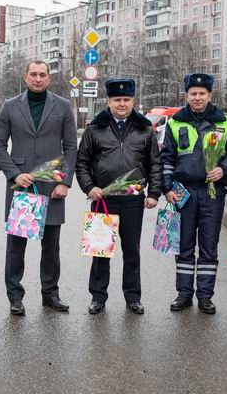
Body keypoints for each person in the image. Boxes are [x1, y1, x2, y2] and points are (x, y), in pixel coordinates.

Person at [0, 60, 77, 315]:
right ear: (25, 76)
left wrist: (65, 182)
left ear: (49, 79)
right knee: (16, 246)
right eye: (33, 74)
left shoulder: (62, 106)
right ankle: (15, 297)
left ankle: (50, 294)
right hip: (22, 187)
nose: (38, 79)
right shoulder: (10, 106)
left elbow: (71, 147)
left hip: (52, 187)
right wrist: (15, 175)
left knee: (51, 246)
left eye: (43, 75)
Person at [76, 78, 162, 315]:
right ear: (109, 101)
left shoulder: (145, 128)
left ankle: (133, 297)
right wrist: (88, 187)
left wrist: (154, 193)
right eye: (117, 100)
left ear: (133, 101)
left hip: (133, 200)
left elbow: (155, 163)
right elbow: (81, 162)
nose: (122, 104)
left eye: (126, 100)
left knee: (131, 250)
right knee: (101, 250)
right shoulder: (95, 128)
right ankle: (98, 297)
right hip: (103, 198)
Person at [160, 73, 227, 315]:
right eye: (193, 93)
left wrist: (224, 168)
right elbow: (167, 158)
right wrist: (167, 188)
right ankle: (183, 294)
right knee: (184, 245)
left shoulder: (225, 122)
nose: (197, 97)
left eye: (202, 93)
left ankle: (205, 296)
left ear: (209, 95)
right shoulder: (175, 122)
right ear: (186, 95)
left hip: (212, 193)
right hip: (183, 192)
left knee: (209, 245)